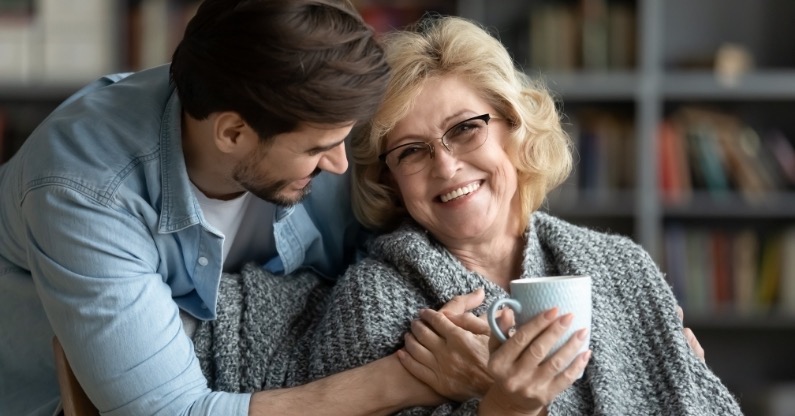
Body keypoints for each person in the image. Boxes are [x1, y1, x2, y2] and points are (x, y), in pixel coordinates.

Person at [193, 15, 741, 416]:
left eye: (465, 128)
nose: (447, 166)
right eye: (411, 150)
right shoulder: (376, 302)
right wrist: (508, 406)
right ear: (390, 180)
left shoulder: (622, 267)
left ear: (513, 125)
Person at [0, 1, 466, 415]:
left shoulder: (301, 108)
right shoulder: (83, 190)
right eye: (318, 149)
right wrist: (410, 379)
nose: (342, 165)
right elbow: (171, 410)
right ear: (232, 134)